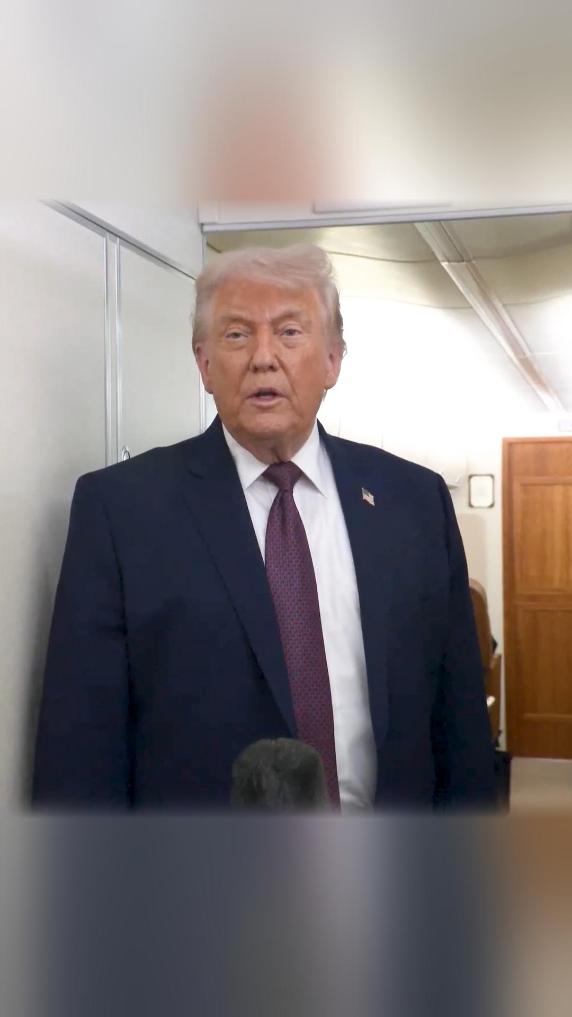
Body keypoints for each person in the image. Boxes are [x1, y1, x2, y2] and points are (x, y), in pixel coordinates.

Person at [32, 244, 496, 810]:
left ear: (333, 360)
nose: (263, 358)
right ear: (204, 364)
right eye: (236, 335)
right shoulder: (122, 510)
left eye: (290, 332)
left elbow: (459, 722)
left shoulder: (414, 502)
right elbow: (80, 747)